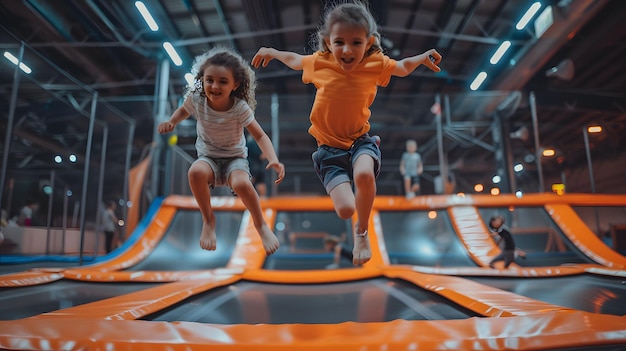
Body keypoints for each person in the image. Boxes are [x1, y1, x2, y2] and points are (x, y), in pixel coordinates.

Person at [252, 1, 442, 265]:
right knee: (345, 210)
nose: (347, 50)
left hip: (359, 141)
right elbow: (295, 60)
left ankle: (361, 232)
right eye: (340, 42)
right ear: (329, 42)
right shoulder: (321, 62)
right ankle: (351, 214)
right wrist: (272, 51)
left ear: (369, 42)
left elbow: (401, 67)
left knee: (363, 175)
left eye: (356, 42)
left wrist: (421, 58)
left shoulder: (374, 63)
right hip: (328, 150)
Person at [158, 47, 285, 255]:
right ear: (202, 79)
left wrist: (273, 159)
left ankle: (261, 224)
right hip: (208, 158)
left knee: (243, 183)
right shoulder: (197, 100)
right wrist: (171, 122)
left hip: (235, 159)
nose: (215, 86)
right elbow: (183, 110)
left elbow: (260, 135)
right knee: (195, 172)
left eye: (223, 82)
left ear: (235, 84)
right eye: (210, 80)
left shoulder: (239, 108)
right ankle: (208, 220)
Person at [246, 133, 268, 198]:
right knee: (252, 183)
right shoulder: (252, 142)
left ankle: (262, 201)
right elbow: (261, 156)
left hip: (255, 166)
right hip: (253, 166)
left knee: (259, 183)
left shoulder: (250, 140)